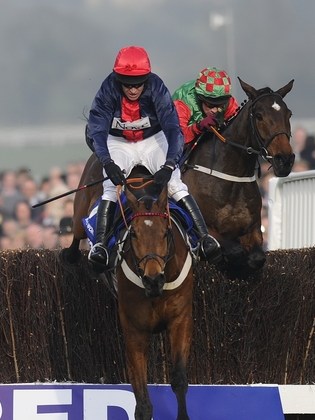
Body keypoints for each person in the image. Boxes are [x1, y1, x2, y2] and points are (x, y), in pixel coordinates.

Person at [86, 46, 220, 272]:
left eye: (138, 83)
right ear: (118, 79)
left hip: (152, 141)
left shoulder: (157, 87)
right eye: (127, 84)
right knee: (111, 187)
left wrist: (169, 165)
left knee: (175, 183)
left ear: (146, 79)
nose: (132, 89)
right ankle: (100, 245)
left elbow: (173, 129)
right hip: (119, 142)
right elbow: (97, 131)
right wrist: (108, 162)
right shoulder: (108, 89)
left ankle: (204, 238)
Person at [172, 67, 240, 147]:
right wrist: (198, 127)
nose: (215, 111)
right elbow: (175, 138)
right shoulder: (183, 102)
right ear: (200, 98)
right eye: (210, 105)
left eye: (220, 105)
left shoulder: (228, 101)